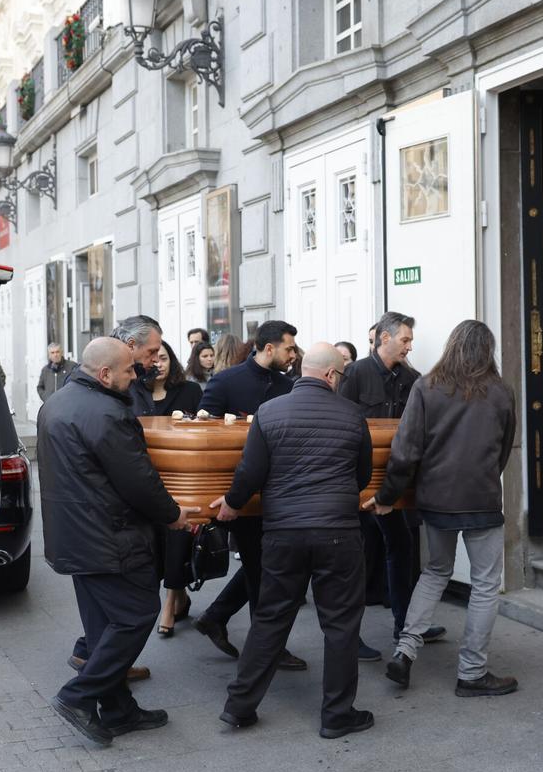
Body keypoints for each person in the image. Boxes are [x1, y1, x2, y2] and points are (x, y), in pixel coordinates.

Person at [37, 337, 199, 746]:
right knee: (136, 614)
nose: (135, 377)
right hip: (109, 536)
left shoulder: (56, 403)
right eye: (129, 370)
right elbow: (138, 481)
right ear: (105, 374)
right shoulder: (108, 413)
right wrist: (174, 515)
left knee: (102, 625)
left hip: (73, 536)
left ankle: (118, 709)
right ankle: (78, 697)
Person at [217, 343, 376, 739]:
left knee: (270, 618)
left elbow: (250, 472)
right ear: (331, 376)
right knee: (340, 625)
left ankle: (239, 706)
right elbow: (361, 477)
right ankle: (337, 715)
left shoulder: (269, 412)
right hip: (338, 532)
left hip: (283, 532)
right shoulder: (354, 415)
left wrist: (233, 505)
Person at [368, 320, 517, 698]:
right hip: (481, 499)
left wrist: (387, 497)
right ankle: (472, 672)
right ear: (488, 350)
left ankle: (405, 651)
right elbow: (503, 451)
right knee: (485, 585)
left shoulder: (426, 386)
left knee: (434, 571)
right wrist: (484, 477)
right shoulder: (500, 392)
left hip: (436, 499)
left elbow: (405, 451)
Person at [193, 321, 307, 671]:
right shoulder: (226, 382)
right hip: (238, 492)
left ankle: (217, 617)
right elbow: (204, 433)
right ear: (268, 348)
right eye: (289, 348)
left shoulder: (288, 386)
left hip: (280, 491)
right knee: (264, 570)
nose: (293, 355)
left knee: (266, 568)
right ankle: (266, 648)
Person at [340, 311, 444, 658]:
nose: (409, 346)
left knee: (403, 552)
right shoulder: (355, 374)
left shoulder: (414, 379)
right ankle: (348, 638)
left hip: (396, 484)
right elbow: (342, 423)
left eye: (410, 341)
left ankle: (407, 625)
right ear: (384, 339)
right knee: (354, 559)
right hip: (359, 481)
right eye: (405, 340)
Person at [143, 341, 204, 639]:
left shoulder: (190, 392)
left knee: (178, 535)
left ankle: (169, 602)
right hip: (147, 478)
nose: (159, 364)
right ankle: (180, 597)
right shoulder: (134, 393)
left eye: (164, 357)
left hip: (182, 478)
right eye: (154, 358)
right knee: (156, 540)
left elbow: (202, 429)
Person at [111, 315, 164, 416]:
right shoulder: (111, 379)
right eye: (152, 351)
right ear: (131, 345)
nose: (156, 359)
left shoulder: (142, 375)